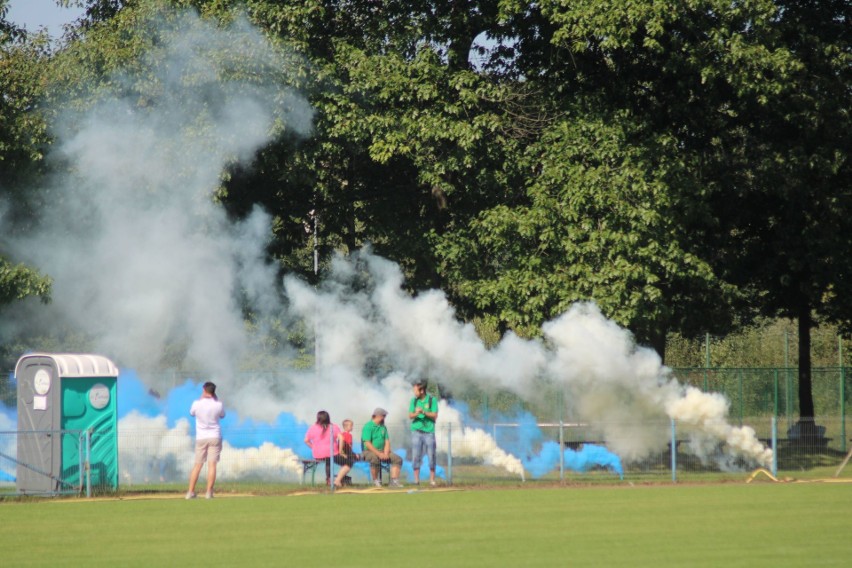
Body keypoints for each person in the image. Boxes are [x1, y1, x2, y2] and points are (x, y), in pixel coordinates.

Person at [186, 381, 225, 499]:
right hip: (215, 436)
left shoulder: (196, 404)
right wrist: (215, 399)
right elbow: (222, 415)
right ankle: (209, 492)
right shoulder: (218, 405)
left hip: (201, 437)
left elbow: (191, 413)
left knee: (197, 465)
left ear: (204, 390)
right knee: (212, 465)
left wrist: (201, 398)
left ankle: (190, 492)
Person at [304, 410, 351, 488]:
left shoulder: (313, 428)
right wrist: (340, 451)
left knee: (328, 461)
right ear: (328, 418)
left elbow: (306, 440)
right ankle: (338, 480)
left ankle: (329, 479)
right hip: (332, 454)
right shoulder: (333, 427)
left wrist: (314, 448)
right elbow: (341, 438)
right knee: (349, 463)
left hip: (318, 455)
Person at [360, 407, 403, 488]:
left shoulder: (383, 427)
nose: (384, 418)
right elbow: (367, 443)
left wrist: (386, 453)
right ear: (377, 416)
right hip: (368, 452)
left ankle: (394, 481)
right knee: (375, 458)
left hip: (383, 452)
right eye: (383, 416)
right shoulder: (368, 426)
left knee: (398, 459)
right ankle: (376, 481)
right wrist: (379, 454)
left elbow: (387, 441)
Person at [408, 379, 438, 486]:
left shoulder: (432, 400)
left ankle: (432, 480)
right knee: (416, 455)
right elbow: (410, 415)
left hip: (429, 432)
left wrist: (424, 412)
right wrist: (416, 413)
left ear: (422, 391)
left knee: (431, 455)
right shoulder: (414, 401)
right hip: (416, 431)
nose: (414, 392)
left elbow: (434, 415)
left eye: (415, 390)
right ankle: (416, 480)